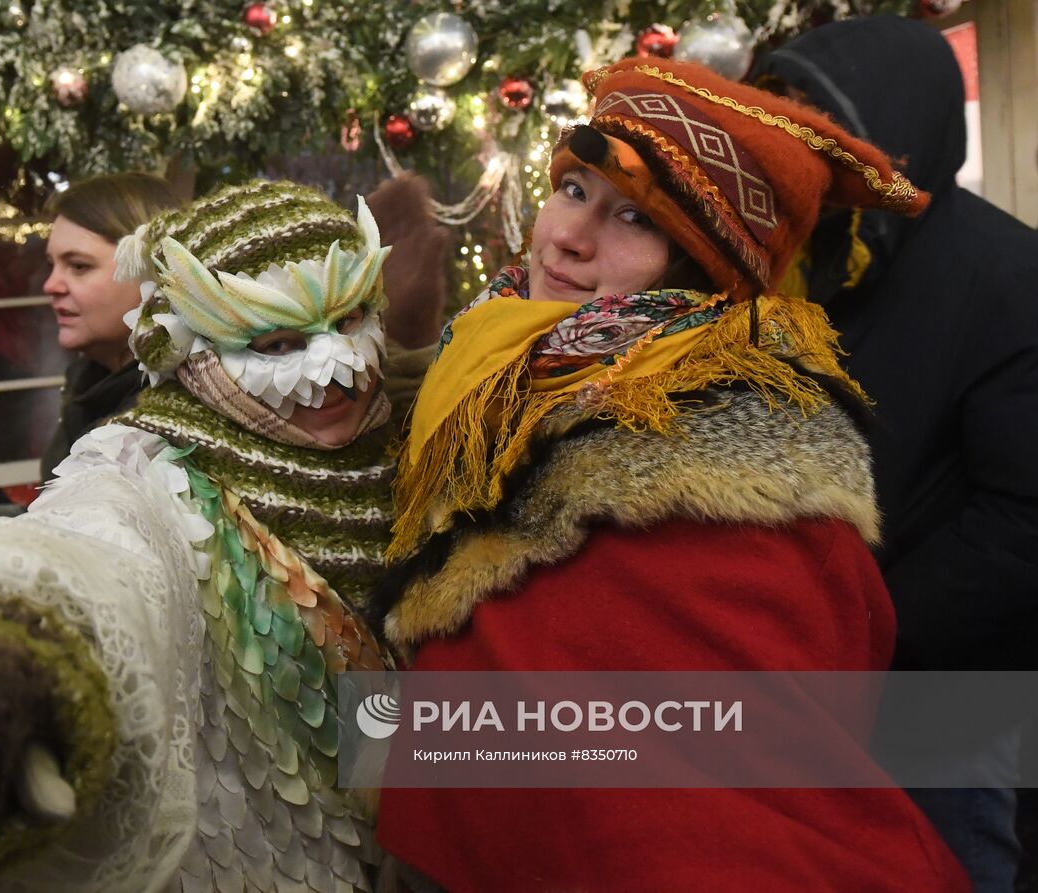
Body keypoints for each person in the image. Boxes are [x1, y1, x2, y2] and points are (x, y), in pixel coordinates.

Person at [369, 58, 969, 891]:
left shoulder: (720, 486)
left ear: (702, 270)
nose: (569, 236)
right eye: (573, 189)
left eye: (633, 219)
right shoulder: (496, 352)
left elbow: (704, 823)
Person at [0, 180, 408, 891]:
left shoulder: (428, 439)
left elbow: (424, 733)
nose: (341, 367)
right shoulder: (145, 468)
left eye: (352, 320)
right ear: (192, 349)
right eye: (277, 342)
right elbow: (90, 556)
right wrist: (3, 665)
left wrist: (522, 747)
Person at [754, 18, 1038, 891]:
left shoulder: (1006, 275)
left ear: (891, 129)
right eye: (784, 111)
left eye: (821, 115)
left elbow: (1023, 517)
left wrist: (865, 627)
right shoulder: (791, 258)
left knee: (947, 864)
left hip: (941, 688)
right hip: (800, 678)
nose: (796, 139)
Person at [39, 172, 184, 480]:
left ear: (155, 272)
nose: (50, 285)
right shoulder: (87, 384)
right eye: (52, 264)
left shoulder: (182, 418)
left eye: (79, 266)